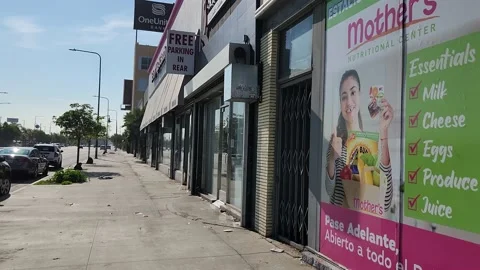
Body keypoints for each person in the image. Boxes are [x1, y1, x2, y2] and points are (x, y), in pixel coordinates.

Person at [325, 69, 394, 212]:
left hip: (363, 229)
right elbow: (330, 191)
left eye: (353, 92)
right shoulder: (336, 142)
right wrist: (332, 159)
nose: (349, 101)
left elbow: (385, 202)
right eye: (344, 97)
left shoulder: (371, 144)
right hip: (338, 226)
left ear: (360, 94)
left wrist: (384, 132)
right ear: (340, 102)